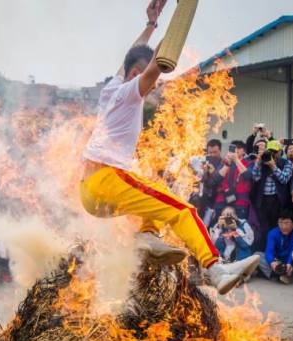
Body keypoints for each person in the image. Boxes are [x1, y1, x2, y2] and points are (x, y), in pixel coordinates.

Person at [79, 0, 260, 295]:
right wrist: (183, 9)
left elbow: (133, 56)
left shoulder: (111, 88)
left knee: (154, 187)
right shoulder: (128, 94)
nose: (154, 88)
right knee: (183, 211)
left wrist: (152, 23)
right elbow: (155, 66)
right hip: (107, 181)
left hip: (90, 190)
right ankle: (216, 269)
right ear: (138, 73)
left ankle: (148, 235)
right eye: (148, 79)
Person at [251, 140, 293, 249]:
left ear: (280, 152)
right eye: (270, 151)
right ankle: (264, 251)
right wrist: (259, 161)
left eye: (275, 151)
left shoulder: (286, 163)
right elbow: (255, 177)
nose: (273, 154)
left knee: (276, 228)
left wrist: (274, 166)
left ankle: (275, 250)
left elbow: (284, 179)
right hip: (262, 200)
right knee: (264, 228)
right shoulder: (263, 161)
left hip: (277, 201)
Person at [259, 209, 293, 284]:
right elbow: (269, 251)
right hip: (278, 262)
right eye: (280, 223)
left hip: (292, 262)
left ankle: (280, 275)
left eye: (286, 223)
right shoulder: (273, 233)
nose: (283, 226)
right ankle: (280, 275)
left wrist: (289, 263)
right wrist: (272, 262)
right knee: (257, 255)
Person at [213, 140, 253, 219]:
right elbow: (217, 178)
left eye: (238, 148)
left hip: (240, 202)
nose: (236, 150)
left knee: (239, 228)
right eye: (233, 148)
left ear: (244, 151)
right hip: (222, 200)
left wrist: (236, 160)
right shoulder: (224, 162)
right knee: (219, 226)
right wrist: (227, 164)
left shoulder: (249, 163)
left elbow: (248, 176)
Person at [189, 138, 222, 226]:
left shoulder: (224, 164)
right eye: (210, 152)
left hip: (218, 201)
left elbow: (219, 182)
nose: (212, 155)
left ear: (220, 151)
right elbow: (200, 181)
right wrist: (202, 173)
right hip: (203, 199)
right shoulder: (203, 163)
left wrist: (213, 173)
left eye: (215, 152)